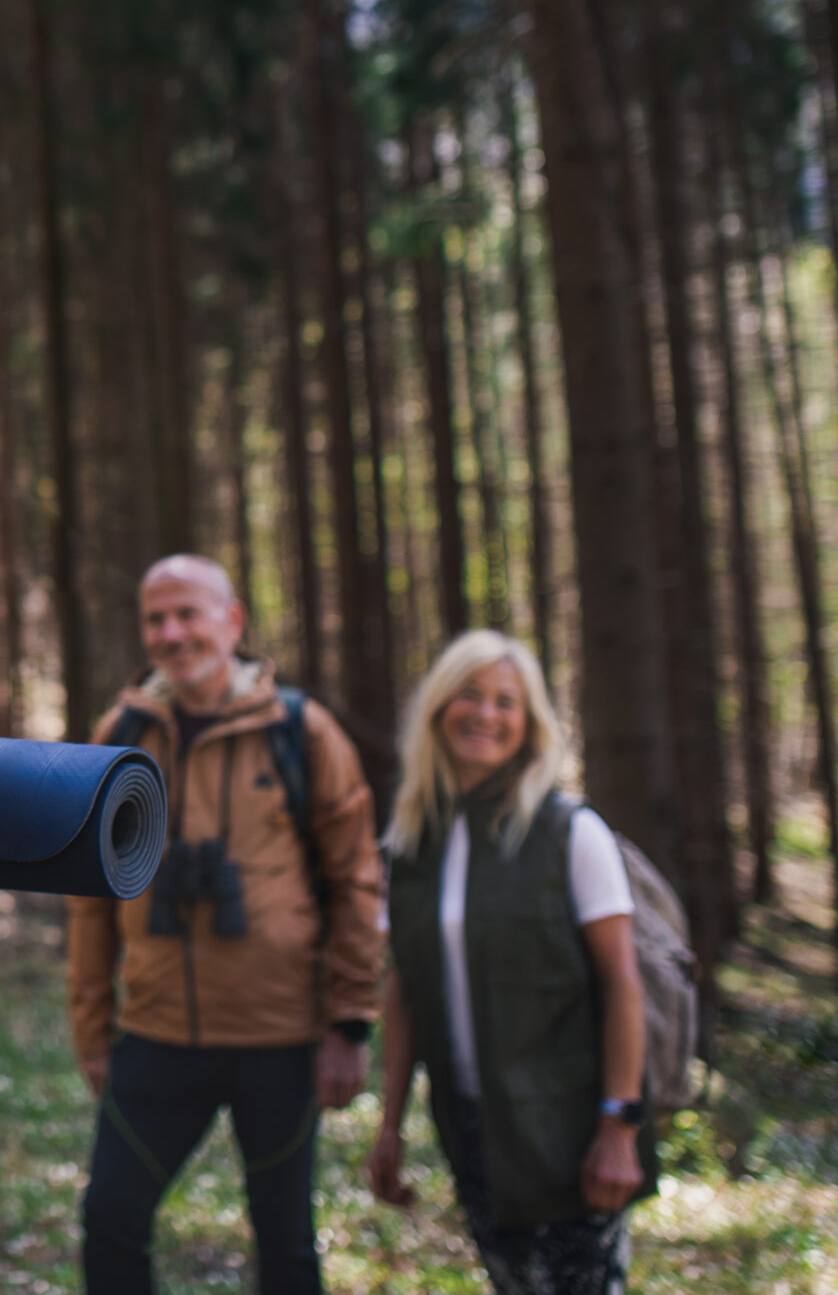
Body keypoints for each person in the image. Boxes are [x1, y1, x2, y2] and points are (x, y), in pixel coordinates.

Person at [64, 555, 383, 1294]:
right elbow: (88, 897)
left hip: (279, 1035)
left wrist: (348, 1021)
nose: (173, 633)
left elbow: (356, 880)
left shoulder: (302, 731)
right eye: (156, 618)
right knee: (110, 1218)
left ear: (232, 620)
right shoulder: (122, 732)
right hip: (156, 1032)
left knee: (286, 1243)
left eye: (189, 614)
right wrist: (92, 1026)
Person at [363, 630, 653, 1295]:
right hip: (472, 1126)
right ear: (439, 707)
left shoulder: (569, 832)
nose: (486, 713)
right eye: (470, 694)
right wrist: (390, 1125)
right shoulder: (408, 847)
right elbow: (403, 988)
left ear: (530, 724)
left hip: (572, 1127)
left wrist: (619, 1126)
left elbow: (623, 983)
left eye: (506, 701)